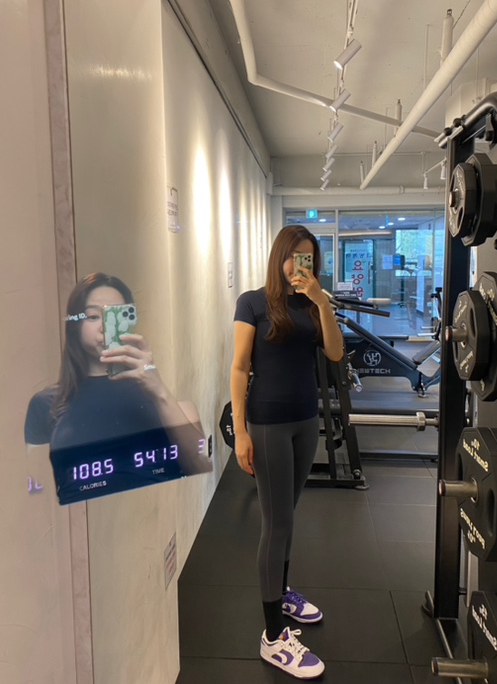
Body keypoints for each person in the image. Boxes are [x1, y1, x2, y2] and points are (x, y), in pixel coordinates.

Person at [230, 225, 344, 679]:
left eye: (308, 257)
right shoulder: (252, 303)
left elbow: (334, 353)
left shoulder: (314, 303)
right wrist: (240, 431)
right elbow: (240, 367)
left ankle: (281, 590)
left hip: (305, 421)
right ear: (280, 256)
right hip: (267, 424)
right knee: (276, 524)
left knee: (288, 517)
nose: (301, 264)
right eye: (295, 256)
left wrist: (322, 302)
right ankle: (274, 637)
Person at [24, 273, 211, 503]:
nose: (105, 327)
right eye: (93, 316)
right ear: (75, 325)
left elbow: (201, 465)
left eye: (116, 315)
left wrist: (159, 391)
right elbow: (36, 489)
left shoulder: (153, 392)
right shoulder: (45, 403)